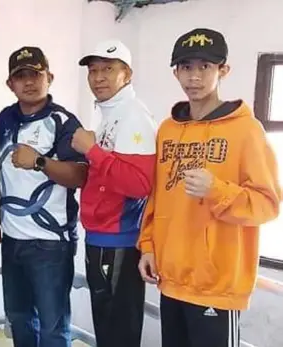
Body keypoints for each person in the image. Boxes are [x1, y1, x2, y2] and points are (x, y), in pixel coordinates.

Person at [137, 28, 281, 347]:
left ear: (223, 70)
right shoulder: (168, 129)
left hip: (216, 287)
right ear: (176, 73)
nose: (195, 76)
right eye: (186, 67)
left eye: (205, 66)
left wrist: (217, 189)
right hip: (171, 281)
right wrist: (148, 246)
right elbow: (157, 196)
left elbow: (267, 204)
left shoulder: (246, 131)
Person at [0, 46, 88, 347]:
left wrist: (40, 162)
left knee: (52, 326)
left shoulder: (63, 121)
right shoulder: (5, 119)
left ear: (49, 77)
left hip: (50, 244)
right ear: (10, 84)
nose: (29, 82)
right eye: (20, 76)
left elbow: (80, 175)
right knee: (19, 318)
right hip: (12, 240)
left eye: (35, 74)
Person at [74, 40, 156, 347]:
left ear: (127, 74)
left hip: (119, 239)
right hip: (101, 237)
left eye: (108, 69)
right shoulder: (111, 113)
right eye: (93, 70)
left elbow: (139, 184)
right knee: (107, 329)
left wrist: (92, 151)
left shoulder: (133, 115)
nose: (98, 77)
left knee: (118, 331)